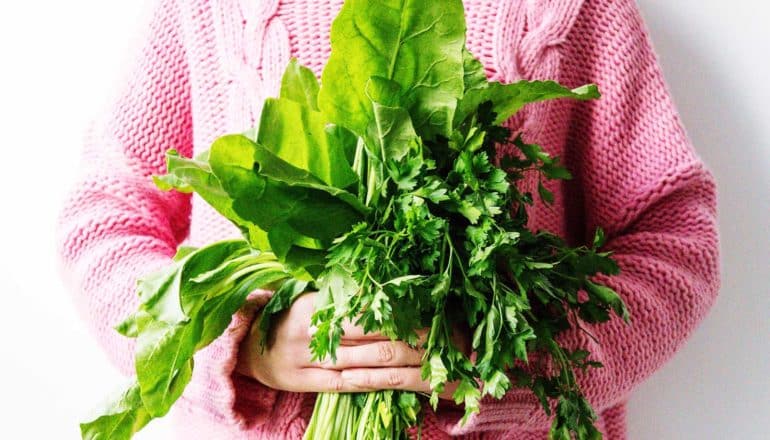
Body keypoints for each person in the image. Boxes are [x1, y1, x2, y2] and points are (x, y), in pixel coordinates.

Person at [57, 0, 721, 438]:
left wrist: (508, 361)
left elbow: (677, 238)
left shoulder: (572, 8)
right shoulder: (210, 7)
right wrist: (242, 343)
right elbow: (103, 218)